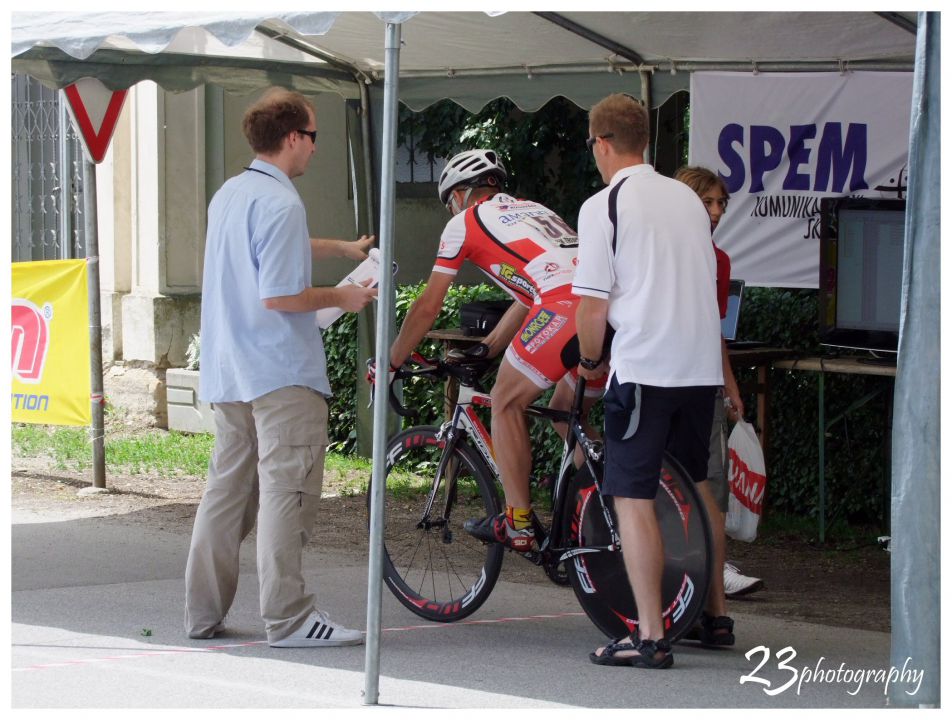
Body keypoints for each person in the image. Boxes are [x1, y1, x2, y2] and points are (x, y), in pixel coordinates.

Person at [184, 88, 377, 648]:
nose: (315, 149)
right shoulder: (283, 202)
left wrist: (341, 248)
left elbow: (270, 248)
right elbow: (281, 295)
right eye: (314, 137)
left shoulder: (233, 193)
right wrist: (343, 298)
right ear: (293, 138)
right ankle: (289, 617)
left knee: (226, 495)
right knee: (285, 494)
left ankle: (202, 613)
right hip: (280, 372)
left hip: (230, 370)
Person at [383, 149, 604, 551]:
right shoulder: (535, 211)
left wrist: (392, 361)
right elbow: (528, 292)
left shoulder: (464, 223)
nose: (450, 211)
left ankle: (518, 523)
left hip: (564, 305)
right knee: (565, 415)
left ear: (461, 194)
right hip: (604, 310)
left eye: (449, 202)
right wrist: (489, 348)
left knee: (504, 400)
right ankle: (611, 501)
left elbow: (428, 306)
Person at [573, 94, 724, 669]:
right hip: (698, 367)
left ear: (602, 143)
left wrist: (590, 365)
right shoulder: (685, 198)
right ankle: (711, 616)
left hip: (646, 366)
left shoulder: (603, 205)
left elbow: (591, 307)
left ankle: (651, 635)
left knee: (631, 497)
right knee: (690, 488)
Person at [674, 166, 765, 646]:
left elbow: (716, 331)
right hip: (672, 381)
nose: (716, 212)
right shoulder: (673, 250)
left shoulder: (718, 260)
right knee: (679, 492)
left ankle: (714, 610)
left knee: (702, 492)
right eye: (707, 202)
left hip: (692, 384)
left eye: (721, 204)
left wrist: (729, 386)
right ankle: (698, 608)